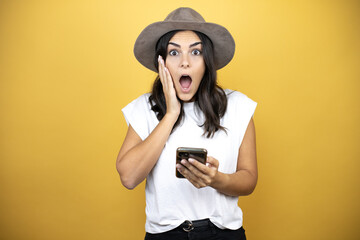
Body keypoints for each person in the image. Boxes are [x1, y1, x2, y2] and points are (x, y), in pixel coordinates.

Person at [116, 7, 257, 240]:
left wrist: (216, 179)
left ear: (207, 61)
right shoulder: (144, 107)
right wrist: (171, 114)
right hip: (165, 235)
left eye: (195, 52)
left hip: (222, 234)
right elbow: (128, 177)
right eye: (173, 53)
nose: (184, 63)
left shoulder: (238, 106)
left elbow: (249, 179)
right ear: (161, 63)